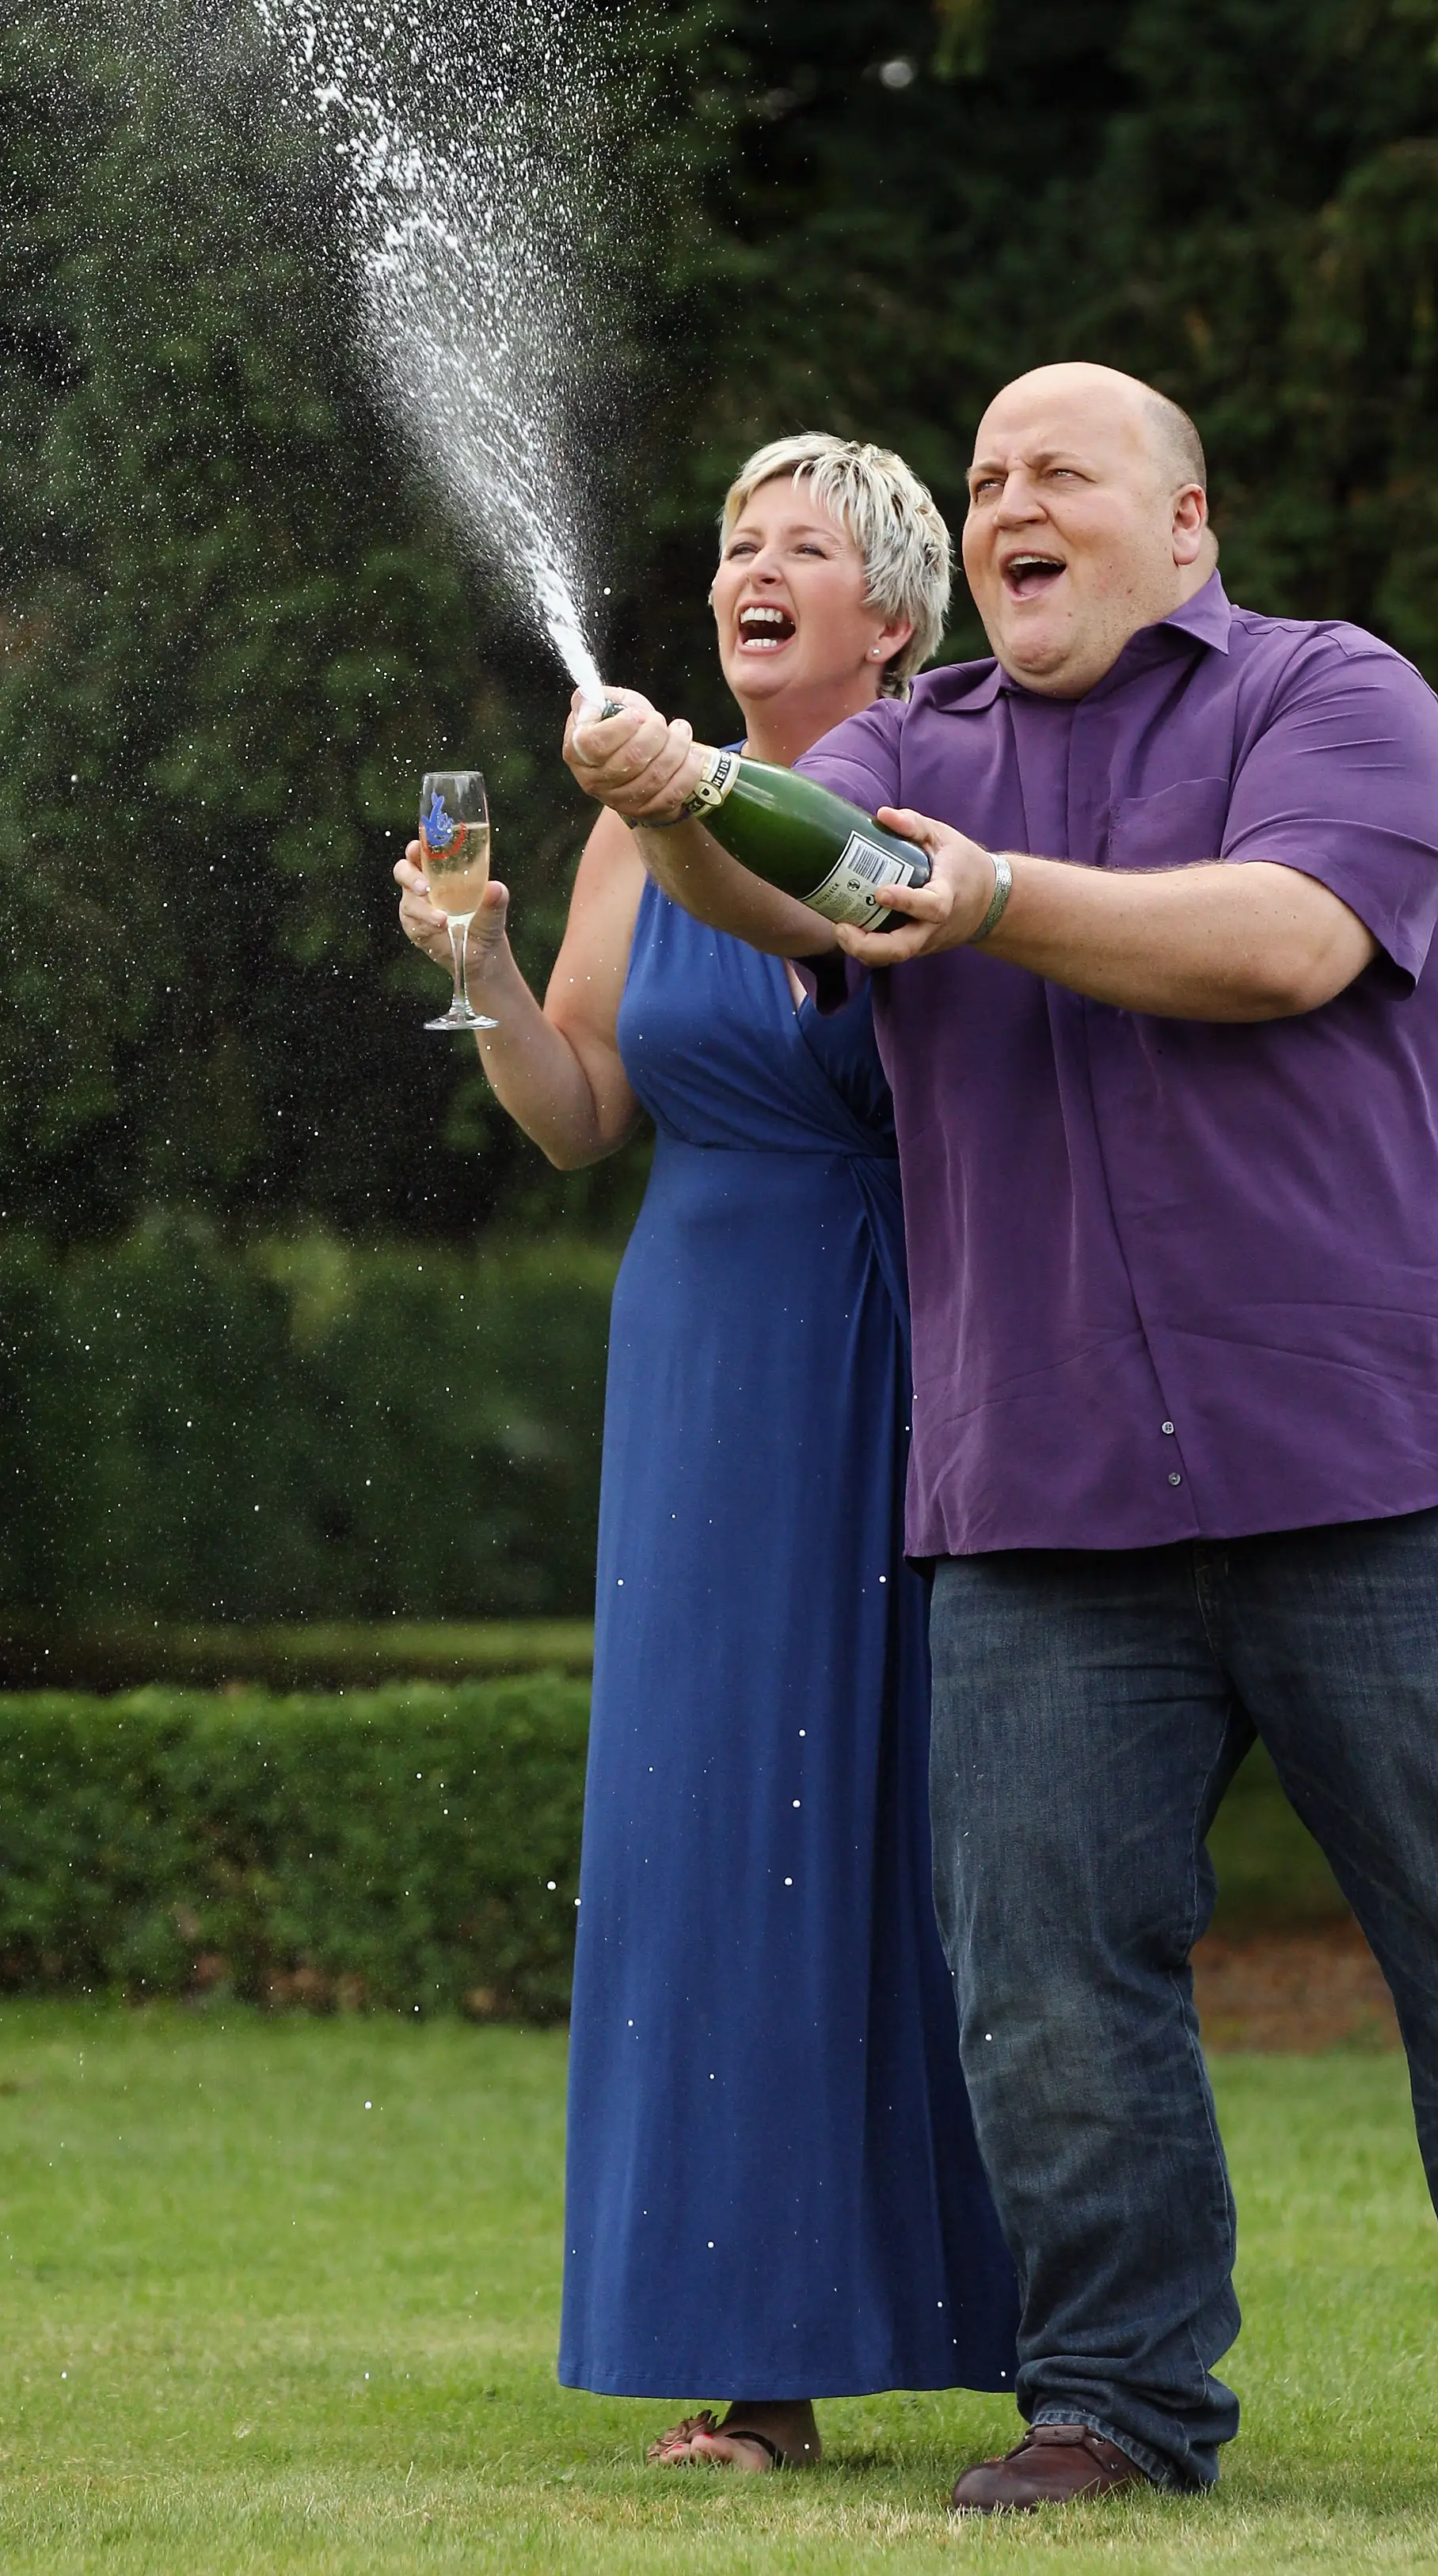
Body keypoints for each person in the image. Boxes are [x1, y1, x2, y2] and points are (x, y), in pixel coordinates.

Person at [561, 363, 1438, 2530]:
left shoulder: (1332, 692)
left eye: (1054, 473)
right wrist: (676, 799)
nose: (1008, 501)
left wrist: (992, 895)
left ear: (1181, 523)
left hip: (1385, 1450)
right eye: (985, 476)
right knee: (1048, 1984)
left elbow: (1285, 937)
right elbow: (802, 890)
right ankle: (1108, 2401)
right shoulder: (905, 745)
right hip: (1047, 1477)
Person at [396, 434, 1021, 2471]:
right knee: (703, 1830)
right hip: (698, 1342)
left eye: (805, 549)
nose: (753, 567)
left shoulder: (933, 800)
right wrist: (481, 966)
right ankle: (748, 2356)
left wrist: (678, 806)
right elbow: (584, 1111)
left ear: (893, 623)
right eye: (739, 543)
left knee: (903, 1823)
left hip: (897, 1329)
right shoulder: (622, 837)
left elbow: (815, 929)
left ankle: (1034, 2333)